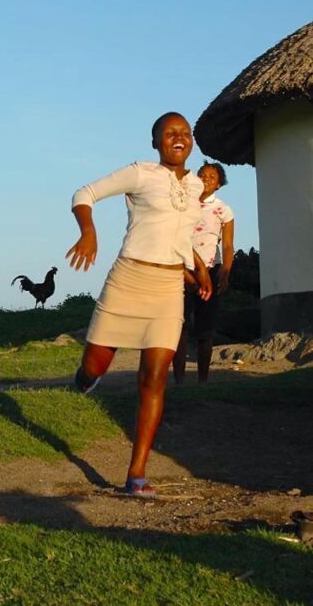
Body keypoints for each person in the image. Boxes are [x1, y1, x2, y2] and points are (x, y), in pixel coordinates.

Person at [65, 112, 212, 498]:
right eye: (169, 133)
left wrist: (199, 268)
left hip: (167, 288)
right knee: (93, 365)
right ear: (155, 142)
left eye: (185, 133)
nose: (178, 138)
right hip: (128, 280)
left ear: (191, 141)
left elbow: (180, 235)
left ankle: (136, 474)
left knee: (154, 378)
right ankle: (83, 380)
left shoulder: (197, 186)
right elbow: (84, 194)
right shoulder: (141, 173)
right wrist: (89, 232)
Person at [173, 161, 235, 384]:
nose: (206, 179)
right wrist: (184, 273)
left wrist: (225, 272)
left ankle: (202, 380)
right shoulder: (182, 205)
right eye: (202, 175)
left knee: (205, 329)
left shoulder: (223, 210)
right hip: (181, 270)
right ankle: (178, 380)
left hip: (210, 272)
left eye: (211, 176)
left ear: (219, 184)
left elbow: (227, 246)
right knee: (179, 327)